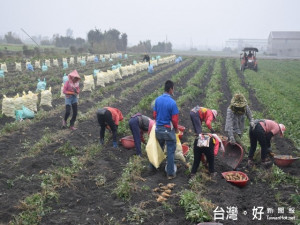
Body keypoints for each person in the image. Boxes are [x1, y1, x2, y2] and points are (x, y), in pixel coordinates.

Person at [153, 80, 179, 180]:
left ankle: (153, 168)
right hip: (168, 130)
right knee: (170, 151)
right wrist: (176, 129)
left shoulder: (157, 100)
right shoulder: (172, 102)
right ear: (171, 89)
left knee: (158, 149)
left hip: (158, 129)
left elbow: (154, 115)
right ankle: (170, 173)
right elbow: (174, 119)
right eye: (173, 89)